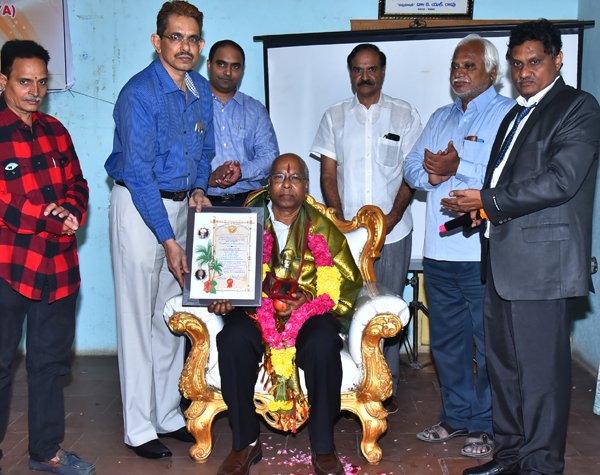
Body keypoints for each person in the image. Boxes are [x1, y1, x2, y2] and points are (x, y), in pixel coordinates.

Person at [440, 20, 600, 475]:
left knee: (541, 376)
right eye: (517, 64)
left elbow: (561, 181)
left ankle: (541, 466)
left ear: (558, 60)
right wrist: (482, 212)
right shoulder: (514, 115)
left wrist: (487, 201)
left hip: (543, 266)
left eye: (535, 62)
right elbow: (506, 183)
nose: (524, 72)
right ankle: (510, 458)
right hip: (501, 261)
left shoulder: (578, 107)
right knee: (505, 370)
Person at [104, 0, 217, 460]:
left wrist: (200, 188)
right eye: (175, 37)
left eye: (192, 39)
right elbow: (139, 172)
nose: (184, 47)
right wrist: (168, 240)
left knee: (170, 315)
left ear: (201, 45)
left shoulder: (201, 88)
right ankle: (138, 428)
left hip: (182, 206)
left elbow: (206, 150)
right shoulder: (139, 93)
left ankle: (167, 414)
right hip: (138, 206)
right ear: (157, 41)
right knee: (136, 318)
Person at [212, 153, 363, 475]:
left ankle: (323, 445)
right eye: (279, 177)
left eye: (295, 178)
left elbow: (348, 279)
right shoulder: (244, 222)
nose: (286, 184)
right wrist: (222, 295)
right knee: (232, 339)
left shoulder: (322, 227)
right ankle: (245, 443)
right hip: (254, 310)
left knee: (323, 342)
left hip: (307, 314)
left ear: (306, 186)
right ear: (268, 184)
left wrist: (310, 298)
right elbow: (222, 269)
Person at [403, 34, 515, 458]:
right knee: (447, 344)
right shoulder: (439, 117)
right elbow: (411, 166)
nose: (459, 73)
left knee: (487, 344)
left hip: (480, 251)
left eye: (469, 66)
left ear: (492, 72)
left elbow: (509, 175)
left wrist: (458, 165)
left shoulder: (508, 114)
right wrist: (432, 176)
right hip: (438, 251)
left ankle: (485, 424)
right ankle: (456, 417)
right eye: (455, 66)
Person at [310, 44, 422, 413]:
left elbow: (412, 172)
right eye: (358, 70)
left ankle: (384, 387)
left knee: (388, 308)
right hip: (346, 237)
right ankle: (351, 382)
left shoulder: (405, 114)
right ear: (350, 73)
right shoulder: (334, 116)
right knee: (347, 307)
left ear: (383, 71)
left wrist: (392, 217)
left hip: (394, 232)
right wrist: (341, 224)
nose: (365, 76)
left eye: (371, 69)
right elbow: (328, 175)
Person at [0, 40, 94, 475]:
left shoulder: (56, 130)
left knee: (50, 365)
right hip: (9, 268)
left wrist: (72, 210)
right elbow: (5, 203)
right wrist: (48, 217)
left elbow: (78, 182)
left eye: (41, 82)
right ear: (3, 80)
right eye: (24, 82)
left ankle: (45, 452)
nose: (34, 91)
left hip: (58, 269)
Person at [205, 40, 279, 206]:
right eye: (221, 64)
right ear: (209, 65)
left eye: (235, 66)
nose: (228, 72)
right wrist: (207, 178)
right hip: (202, 202)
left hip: (249, 202)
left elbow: (270, 157)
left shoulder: (255, 109)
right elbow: (183, 158)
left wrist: (240, 172)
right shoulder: (192, 105)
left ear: (242, 69)